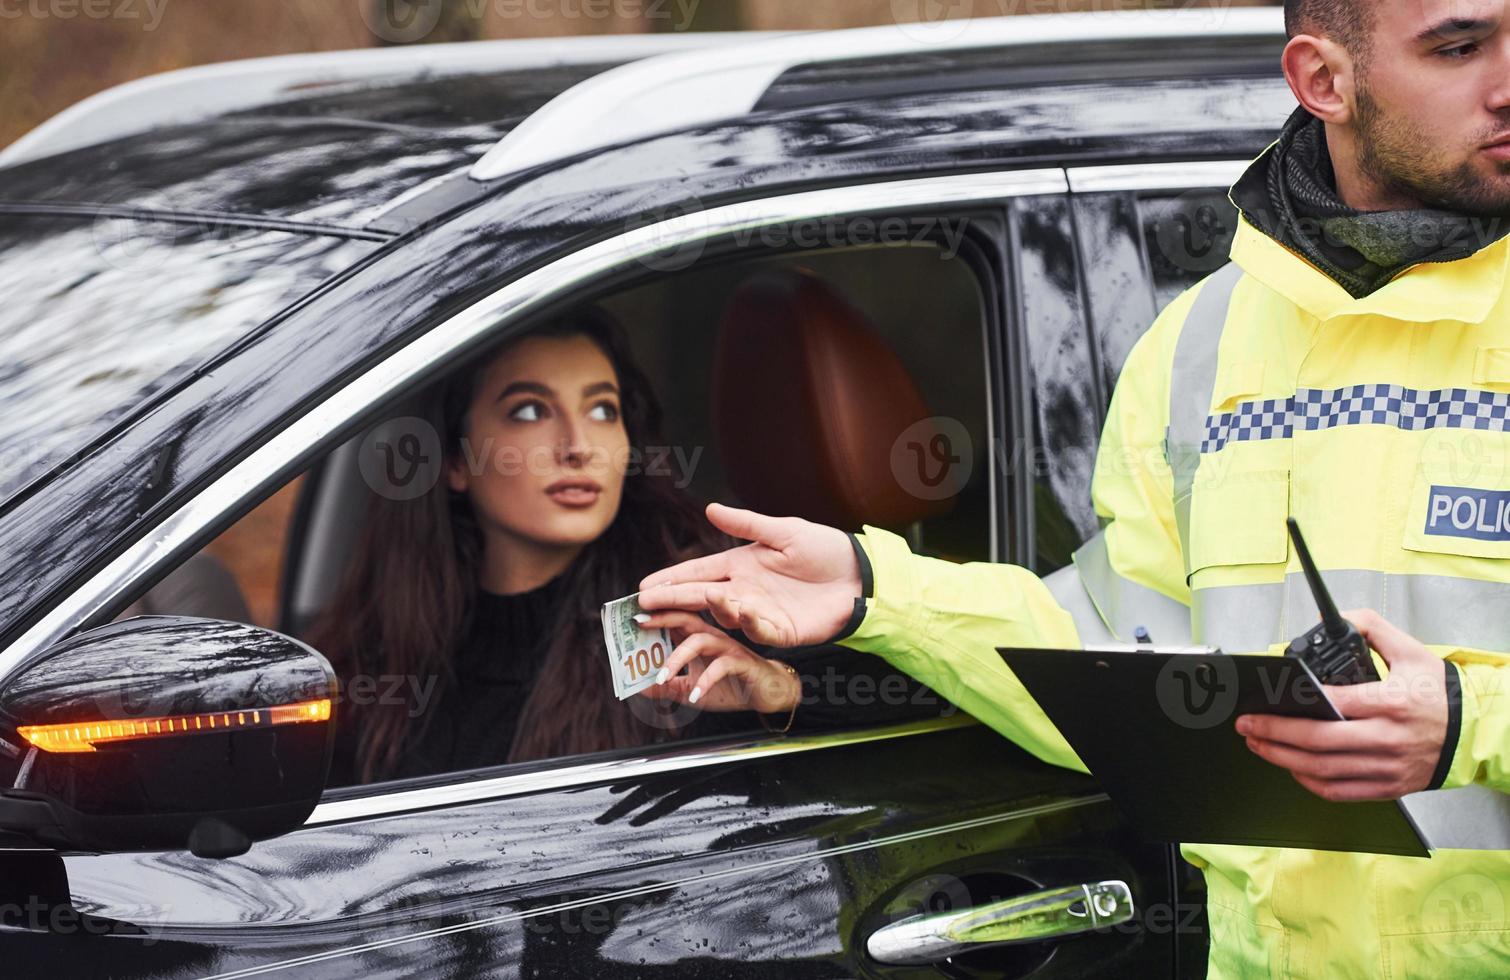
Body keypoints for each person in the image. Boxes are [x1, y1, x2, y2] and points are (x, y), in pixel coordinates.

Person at [637, 3, 1510, 977]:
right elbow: (1125, 656)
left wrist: (1475, 723)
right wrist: (877, 589)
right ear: (1321, 80)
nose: (1506, 82)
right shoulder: (1199, 347)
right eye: (1459, 46)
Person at [307, 308, 807, 786]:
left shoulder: (697, 614)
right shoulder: (375, 657)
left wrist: (779, 692)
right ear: (456, 461)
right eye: (529, 411)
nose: (577, 445)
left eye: (602, 409)